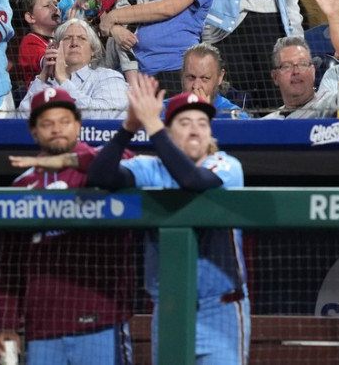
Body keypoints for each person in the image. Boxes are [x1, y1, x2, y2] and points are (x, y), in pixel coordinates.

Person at [84, 78, 249, 363]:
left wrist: (154, 126)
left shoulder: (225, 164)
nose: (196, 129)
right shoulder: (151, 167)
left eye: (202, 123)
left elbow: (193, 180)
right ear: (169, 134)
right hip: (170, 309)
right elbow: (99, 176)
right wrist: (129, 128)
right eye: (185, 123)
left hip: (219, 309)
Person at [0, 88, 136, 363]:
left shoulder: (102, 168)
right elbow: (9, 264)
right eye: (47, 124)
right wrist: (7, 323)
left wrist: (76, 161)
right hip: (42, 328)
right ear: (34, 132)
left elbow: (129, 163)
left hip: (101, 318)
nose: (57, 129)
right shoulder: (23, 185)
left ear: (78, 125)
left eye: (64, 121)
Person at [19, 18, 128, 120]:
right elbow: (21, 118)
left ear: (92, 50)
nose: (74, 43)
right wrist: (43, 76)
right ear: (57, 48)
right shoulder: (47, 82)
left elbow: (102, 116)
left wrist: (63, 81)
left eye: (82, 38)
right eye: (67, 38)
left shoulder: (109, 77)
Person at [262, 36, 338, 118]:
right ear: (275, 77)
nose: (296, 71)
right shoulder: (266, 124)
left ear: (313, 72)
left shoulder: (331, 104)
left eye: (303, 64)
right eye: (287, 66)